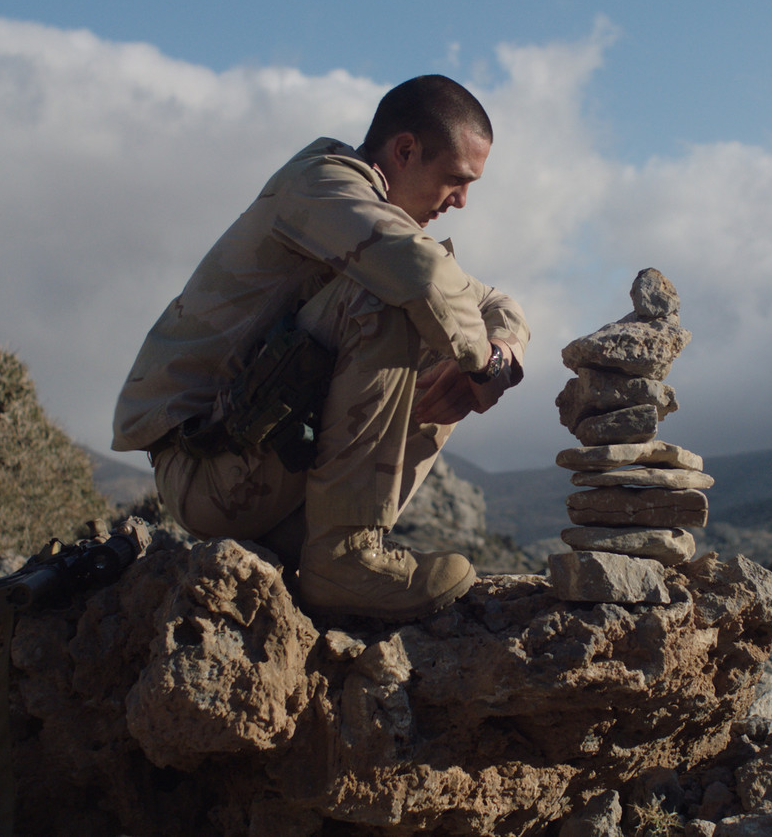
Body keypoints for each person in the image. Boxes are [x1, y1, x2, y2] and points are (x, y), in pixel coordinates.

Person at [111, 75, 528, 621]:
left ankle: (331, 551)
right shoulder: (321, 184)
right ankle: (345, 559)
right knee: (400, 300)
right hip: (207, 470)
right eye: (455, 179)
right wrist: (482, 364)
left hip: (261, 466)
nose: (461, 201)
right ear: (405, 150)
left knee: (449, 322)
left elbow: (497, 302)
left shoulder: (381, 222)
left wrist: (499, 354)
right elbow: (423, 276)